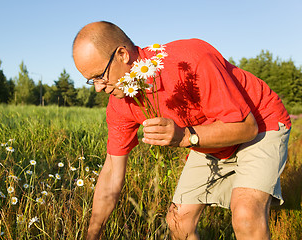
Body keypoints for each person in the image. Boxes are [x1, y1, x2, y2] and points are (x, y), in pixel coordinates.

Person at [72, 21, 291, 240]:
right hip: (207, 138)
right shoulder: (120, 103)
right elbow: (111, 170)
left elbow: (246, 127)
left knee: (245, 213)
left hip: (260, 123)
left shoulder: (189, 58)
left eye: (100, 75)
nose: (99, 87)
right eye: (91, 81)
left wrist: (186, 136)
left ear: (122, 54)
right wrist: (93, 234)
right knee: (178, 221)